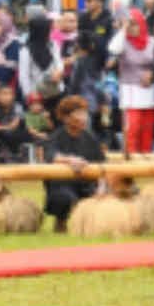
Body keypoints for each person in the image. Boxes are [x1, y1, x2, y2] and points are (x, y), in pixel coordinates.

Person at [43, 95, 105, 232]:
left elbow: (101, 163)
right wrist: (69, 160)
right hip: (62, 184)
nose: (83, 118)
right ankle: (61, 222)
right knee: (64, 198)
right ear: (66, 118)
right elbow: (51, 155)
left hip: (87, 184)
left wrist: (102, 186)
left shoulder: (90, 137)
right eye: (78, 114)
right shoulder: (56, 137)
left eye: (84, 113)